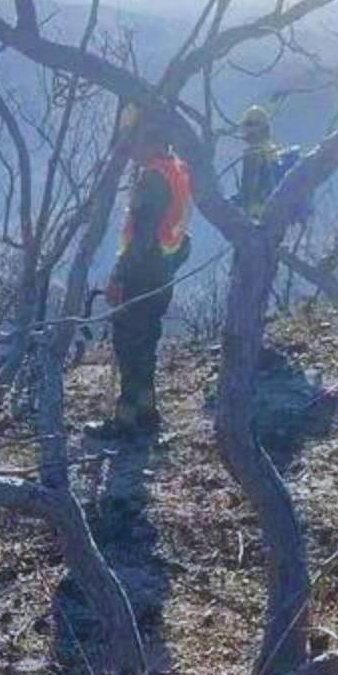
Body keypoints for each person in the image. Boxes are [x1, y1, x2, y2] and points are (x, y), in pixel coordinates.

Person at [86, 116, 192, 441]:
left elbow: (142, 236)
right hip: (163, 273)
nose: (131, 151)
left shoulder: (152, 178)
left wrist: (119, 276)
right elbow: (180, 236)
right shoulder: (178, 171)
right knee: (146, 343)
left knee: (129, 345)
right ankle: (147, 412)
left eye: (135, 143)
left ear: (151, 142)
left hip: (141, 276)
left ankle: (125, 420)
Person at [235, 104, 285, 218]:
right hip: (272, 212)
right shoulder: (271, 149)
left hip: (259, 213)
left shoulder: (255, 153)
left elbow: (250, 187)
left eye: (249, 125)